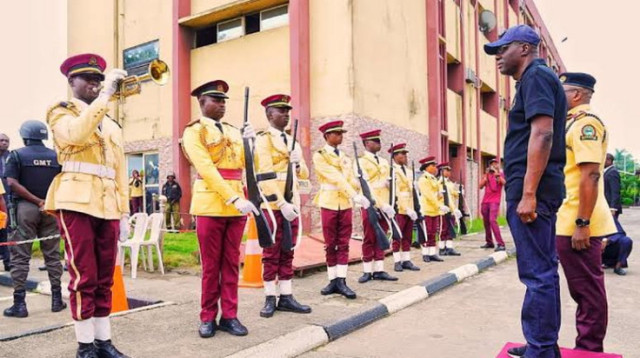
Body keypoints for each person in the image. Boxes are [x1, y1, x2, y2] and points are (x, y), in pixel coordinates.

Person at [485, 25, 567, 358]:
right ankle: (542, 344)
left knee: (537, 273)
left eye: (502, 50)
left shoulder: (535, 77)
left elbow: (543, 134)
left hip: (533, 189)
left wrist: (528, 193)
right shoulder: (537, 79)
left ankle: (542, 348)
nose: (498, 58)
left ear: (524, 47)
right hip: (536, 186)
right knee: (543, 269)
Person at [45, 53, 130, 358]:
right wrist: (106, 95)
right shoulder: (60, 112)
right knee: (84, 275)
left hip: (107, 203)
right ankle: (84, 346)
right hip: (75, 199)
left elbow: (119, 167)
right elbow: (76, 133)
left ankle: (103, 342)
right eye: (89, 79)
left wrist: (125, 210)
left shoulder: (110, 123)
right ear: (72, 82)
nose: (95, 84)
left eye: (99, 79)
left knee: (106, 276)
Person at [181, 80, 258, 338]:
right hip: (211, 204)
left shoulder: (234, 130)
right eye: (216, 100)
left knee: (231, 263)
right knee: (211, 266)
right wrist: (233, 198)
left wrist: (251, 143)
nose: (222, 104)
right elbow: (206, 169)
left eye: (224, 100)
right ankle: (207, 317)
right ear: (202, 102)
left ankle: (230, 316)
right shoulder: (194, 131)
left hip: (237, 204)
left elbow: (247, 165)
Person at [555, 72, 617, 352]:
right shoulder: (569, 123)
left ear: (577, 95)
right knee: (579, 289)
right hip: (566, 217)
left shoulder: (586, 124)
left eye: (563, 90)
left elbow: (591, 175)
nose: (558, 95)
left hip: (578, 221)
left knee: (588, 291)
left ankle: (590, 349)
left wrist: (582, 223)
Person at [254, 94, 311, 318]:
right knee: (271, 252)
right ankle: (270, 297)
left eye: (287, 111)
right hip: (274, 204)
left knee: (288, 250)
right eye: (281, 110)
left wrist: (297, 163)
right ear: (269, 114)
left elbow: (305, 174)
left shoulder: (293, 141)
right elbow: (265, 176)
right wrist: (281, 202)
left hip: (292, 202)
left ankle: (286, 296)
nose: (286, 114)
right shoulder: (263, 140)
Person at [3, 121, 67, 318]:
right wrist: (45, 201)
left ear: (24, 136)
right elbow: (62, 181)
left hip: (25, 209)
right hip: (50, 209)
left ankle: (19, 304)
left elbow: (11, 183)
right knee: (53, 256)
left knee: (20, 257)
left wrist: (35, 200)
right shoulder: (56, 156)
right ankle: (57, 300)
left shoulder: (16, 155)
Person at [312, 120, 369, 299]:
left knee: (343, 242)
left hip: (345, 203)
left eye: (341, 133)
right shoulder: (319, 155)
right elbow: (335, 177)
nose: (340, 136)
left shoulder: (345, 157)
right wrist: (354, 194)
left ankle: (342, 280)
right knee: (330, 243)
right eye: (336, 133)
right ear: (326, 136)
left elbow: (350, 178)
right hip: (329, 202)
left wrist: (360, 185)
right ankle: (332, 280)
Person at [356, 129, 398, 283]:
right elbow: (365, 185)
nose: (379, 143)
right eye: (375, 141)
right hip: (370, 203)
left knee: (382, 235)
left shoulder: (385, 162)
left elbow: (390, 183)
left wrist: (391, 201)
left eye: (379, 141)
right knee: (369, 236)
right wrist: (380, 203)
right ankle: (367, 270)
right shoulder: (361, 161)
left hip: (385, 203)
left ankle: (379, 269)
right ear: (367, 143)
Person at [389, 143, 420, 272]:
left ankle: (406, 260)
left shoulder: (408, 171)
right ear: (395, 156)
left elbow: (412, 191)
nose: (405, 156)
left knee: (408, 235)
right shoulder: (392, 170)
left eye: (406, 154)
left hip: (410, 207)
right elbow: (396, 192)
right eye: (402, 154)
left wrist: (416, 207)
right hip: (399, 208)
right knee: (397, 236)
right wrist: (406, 208)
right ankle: (397, 261)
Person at [603, 153, 633, 275]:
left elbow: (615, 191)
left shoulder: (613, 172)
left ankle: (617, 264)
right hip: (604, 208)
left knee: (613, 230)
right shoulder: (605, 172)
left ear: (609, 160)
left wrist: (612, 208)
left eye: (604, 159)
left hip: (610, 208)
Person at [417, 156, 446, 262]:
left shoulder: (434, 179)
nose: (435, 168)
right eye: (433, 166)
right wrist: (439, 204)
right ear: (426, 167)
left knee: (433, 232)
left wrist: (439, 195)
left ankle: (432, 253)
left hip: (434, 210)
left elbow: (436, 194)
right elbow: (428, 195)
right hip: (427, 209)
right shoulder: (423, 179)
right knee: (427, 232)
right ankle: (425, 253)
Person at [479, 158, 506, 251]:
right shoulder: (486, 174)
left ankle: (501, 243)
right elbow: (480, 186)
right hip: (485, 201)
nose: (494, 165)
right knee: (486, 222)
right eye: (492, 163)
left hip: (494, 201)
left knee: (492, 220)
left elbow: (504, 183)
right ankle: (489, 242)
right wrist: (485, 178)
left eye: (495, 163)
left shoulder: (500, 174)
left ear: (498, 165)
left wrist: (496, 174)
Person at [437, 162, 461, 256]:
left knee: (450, 229)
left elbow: (452, 195)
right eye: (447, 170)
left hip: (450, 209)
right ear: (441, 171)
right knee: (443, 229)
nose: (449, 172)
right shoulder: (438, 183)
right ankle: (442, 248)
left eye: (449, 170)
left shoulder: (449, 183)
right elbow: (438, 197)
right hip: (442, 209)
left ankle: (449, 247)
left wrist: (458, 192)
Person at [0, 133, 11, 271]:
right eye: (1, 140)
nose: (4, 143)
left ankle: (8, 262)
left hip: (7, 196)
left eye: (6, 141)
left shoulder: (11, 156)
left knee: (5, 231)